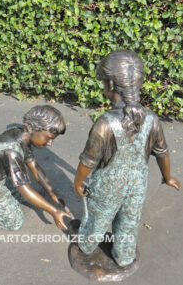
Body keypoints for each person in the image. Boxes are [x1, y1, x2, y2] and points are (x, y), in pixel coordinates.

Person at [74, 50, 180, 267]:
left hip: (107, 186)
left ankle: (86, 246)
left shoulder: (104, 123)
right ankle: (124, 256)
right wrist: (167, 176)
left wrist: (77, 182)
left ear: (111, 85)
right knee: (128, 223)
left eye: (103, 82)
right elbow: (163, 152)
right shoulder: (152, 119)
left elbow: (88, 161)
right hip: (137, 185)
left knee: (98, 218)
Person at [0, 105, 71, 230]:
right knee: (15, 221)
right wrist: (54, 211)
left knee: (24, 195)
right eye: (48, 138)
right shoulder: (12, 151)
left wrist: (51, 191)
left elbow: (34, 166)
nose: (50, 144)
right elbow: (25, 188)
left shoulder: (21, 134)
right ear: (30, 128)